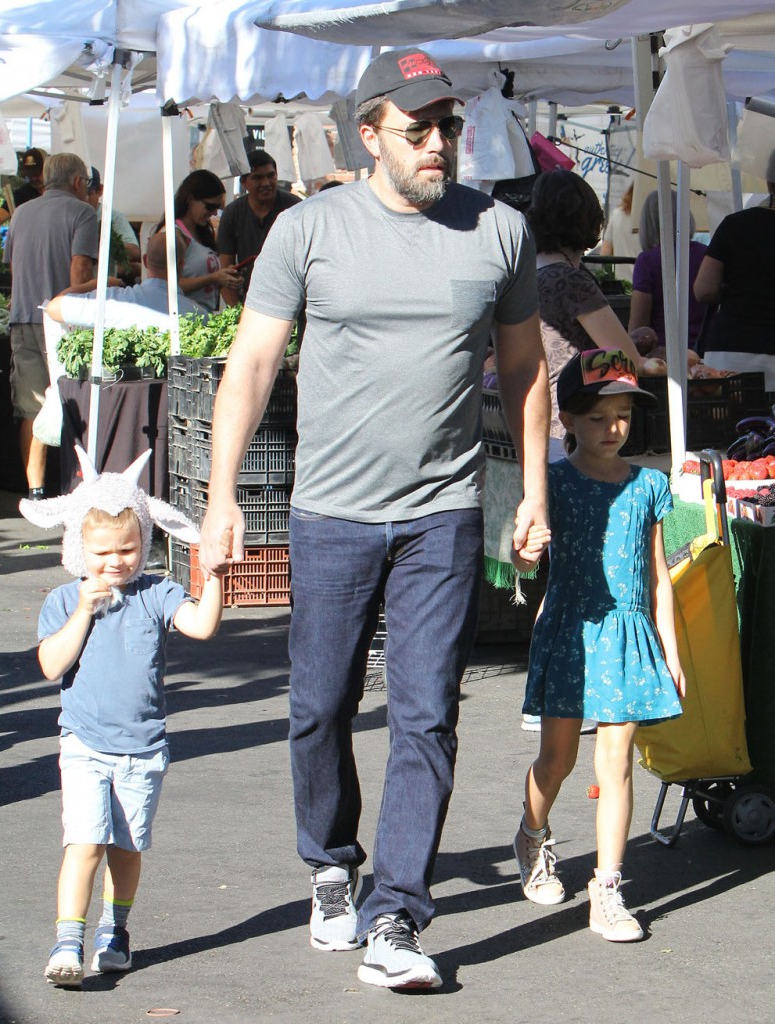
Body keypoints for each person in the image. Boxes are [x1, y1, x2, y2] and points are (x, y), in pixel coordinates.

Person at [199, 47, 549, 991]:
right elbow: (254, 365)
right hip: (329, 512)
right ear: (370, 135)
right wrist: (222, 496)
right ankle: (330, 864)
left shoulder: (498, 231)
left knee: (428, 715)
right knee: (319, 707)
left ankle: (398, 913)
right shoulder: (308, 231)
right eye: (419, 130)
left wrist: (534, 497)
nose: (439, 145)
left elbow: (524, 370)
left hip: (441, 509)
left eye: (448, 128)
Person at [19, 446, 225, 988]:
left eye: (128, 549)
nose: (116, 562)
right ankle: (68, 940)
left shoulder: (156, 592)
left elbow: (200, 627)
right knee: (83, 842)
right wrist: (85, 609)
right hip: (84, 744)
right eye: (103, 552)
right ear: (77, 548)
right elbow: (50, 665)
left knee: (126, 847)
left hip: (143, 748)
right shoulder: (66, 600)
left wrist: (213, 573)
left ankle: (116, 930)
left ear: (145, 541)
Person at [512, 348, 684, 942]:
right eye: (598, 417)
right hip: (570, 630)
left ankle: (606, 890)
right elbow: (517, 554)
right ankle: (533, 834)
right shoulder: (551, 483)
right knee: (556, 762)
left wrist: (673, 650)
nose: (614, 430)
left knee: (617, 765)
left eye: (624, 417)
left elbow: (659, 576)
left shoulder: (649, 486)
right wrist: (522, 553)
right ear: (568, 420)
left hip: (630, 636)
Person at [526, 169, 641, 464]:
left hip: (529, 420)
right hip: (571, 425)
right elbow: (625, 358)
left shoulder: (523, 274)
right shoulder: (571, 281)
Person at [4, 152, 99, 500]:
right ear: (77, 182)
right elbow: (80, 271)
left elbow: (15, 269)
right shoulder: (82, 212)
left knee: (31, 407)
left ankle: (36, 491)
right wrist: (108, 284)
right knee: (77, 400)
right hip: (64, 321)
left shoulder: (20, 213)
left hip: (24, 318)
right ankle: (78, 485)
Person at [693, 151, 775, 389]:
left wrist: (737, 290)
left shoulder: (734, 225)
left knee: (727, 423)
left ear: (769, 182)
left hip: (731, 348)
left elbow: (703, 289)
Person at [45, 230, 208, 330]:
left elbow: (55, 306)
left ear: (145, 261)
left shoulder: (115, 302)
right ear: (181, 265)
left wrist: (96, 283)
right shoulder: (199, 316)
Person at [216, 150, 301, 307]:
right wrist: (237, 313)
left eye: (270, 176)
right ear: (244, 182)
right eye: (257, 178)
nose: (266, 183)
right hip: (249, 300)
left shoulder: (295, 207)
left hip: (291, 299)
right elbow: (225, 271)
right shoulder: (232, 213)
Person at [628, 190, 707, 351]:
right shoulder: (707, 255)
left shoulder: (648, 261)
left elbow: (638, 328)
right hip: (706, 353)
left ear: (648, 223)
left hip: (663, 357)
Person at [156, 170, 241, 312]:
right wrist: (214, 278)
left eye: (218, 208)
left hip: (201, 318)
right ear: (190, 199)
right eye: (210, 206)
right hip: (181, 320)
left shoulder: (202, 232)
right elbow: (163, 285)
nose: (214, 213)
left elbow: (203, 282)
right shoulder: (172, 234)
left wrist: (225, 278)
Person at [86, 166, 141, 279]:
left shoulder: (113, 216)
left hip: (103, 284)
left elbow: (134, 251)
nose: (85, 198)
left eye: (89, 193)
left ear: (100, 190)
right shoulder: (70, 215)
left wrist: (107, 240)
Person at [599, 182, 640, 283]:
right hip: (644, 286)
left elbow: (604, 253)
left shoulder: (617, 214)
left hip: (621, 285)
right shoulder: (649, 217)